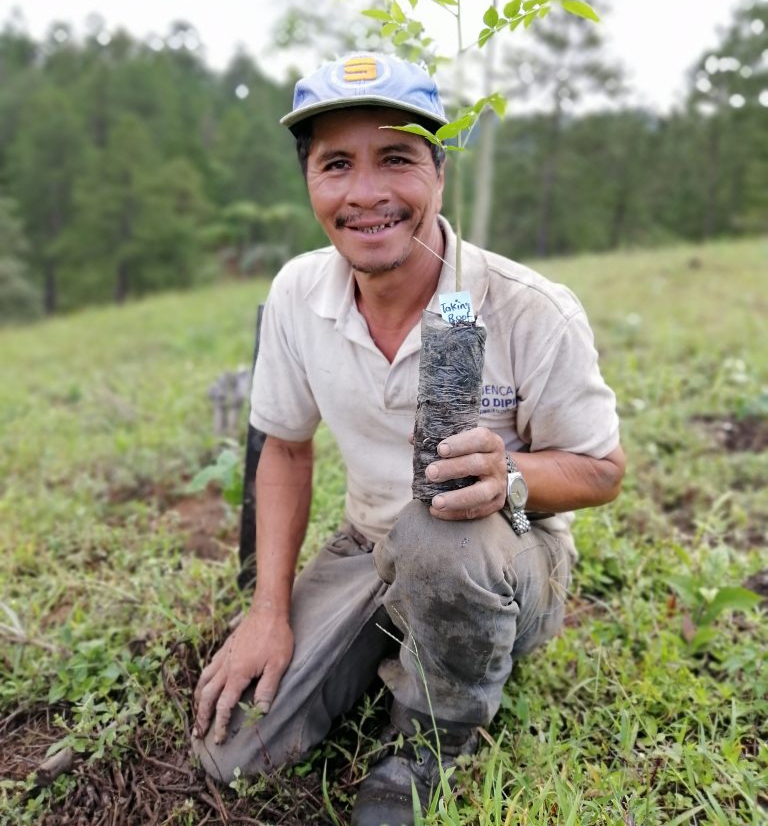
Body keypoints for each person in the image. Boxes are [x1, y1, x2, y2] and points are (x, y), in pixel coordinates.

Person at [192, 52, 625, 825]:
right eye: (336, 165)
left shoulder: (527, 308)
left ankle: (432, 741)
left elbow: (602, 470)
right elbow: (286, 448)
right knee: (234, 750)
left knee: (444, 534)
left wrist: (513, 475)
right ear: (311, 184)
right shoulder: (298, 293)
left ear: (438, 173)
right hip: (371, 543)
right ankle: (395, 640)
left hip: (506, 551)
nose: (367, 194)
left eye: (396, 158)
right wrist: (269, 611)